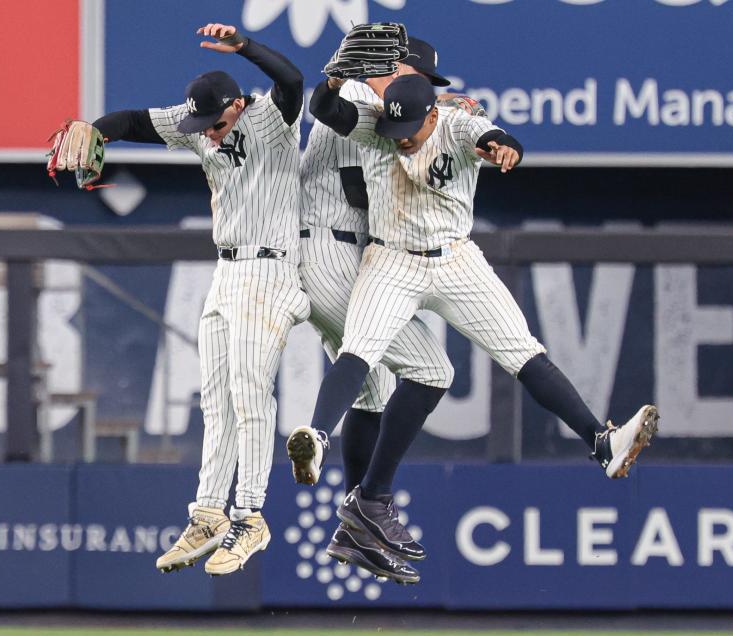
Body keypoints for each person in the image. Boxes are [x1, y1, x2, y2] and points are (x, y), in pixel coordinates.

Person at [303, 71, 660, 564]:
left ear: (433, 114)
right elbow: (326, 111)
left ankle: (601, 442)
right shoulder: (378, 126)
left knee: (525, 353)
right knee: (359, 351)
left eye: (411, 130)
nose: (401, 140)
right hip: (391, 260)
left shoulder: (457, 123)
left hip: (455, 260)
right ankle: (317, 437)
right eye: (394, 131)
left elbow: (495, 138)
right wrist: (331, 83)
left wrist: (504, 148)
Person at [90, 22, 309, 575]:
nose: (206, 134)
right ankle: (209, 512)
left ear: (235, 106)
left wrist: (247, 48)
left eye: (214, 123)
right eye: (200, 125)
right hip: (226, 269)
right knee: (216, 398)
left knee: (250, 391)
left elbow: (292, 79)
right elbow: (138, 120)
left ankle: (251, 515)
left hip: (271, 269)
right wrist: (93, 130)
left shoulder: (269, 119)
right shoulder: (198, 125)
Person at [291, 37, 465, 584]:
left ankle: (357, 528)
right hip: (333, 249)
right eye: (421, 81)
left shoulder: (373, 102)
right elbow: (366, 186)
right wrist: (444, 133)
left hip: (330, 249)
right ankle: (365, 498)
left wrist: (443, 122)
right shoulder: (363, 96)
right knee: (432, 370)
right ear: (398, 69)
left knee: (372, 391)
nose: (424, 94)